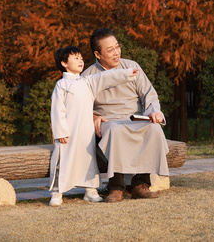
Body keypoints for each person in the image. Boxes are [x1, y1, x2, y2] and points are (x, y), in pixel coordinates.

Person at [81, 28, 170, 203]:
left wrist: (155, 111)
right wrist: (91, 116)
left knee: (154, 129)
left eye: (117, 47)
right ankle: (115, 187)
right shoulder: (88, 76)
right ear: (98, 54)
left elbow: (149, 95)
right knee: (115, 130)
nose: (116, 53)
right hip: (109, 121)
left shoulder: (132, 66)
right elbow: (77, 107)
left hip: (135, 118)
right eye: (110, 50)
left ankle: (140, 185)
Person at [48, 46, 138, 206]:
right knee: (63, 161)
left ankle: (90, 191)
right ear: (64, 63)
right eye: (75, 58)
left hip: (86, 133)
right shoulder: (61, 85)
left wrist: (126, 73)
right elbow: (57, 110)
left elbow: (106, 77)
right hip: (67, 134)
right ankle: (57, 192)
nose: (80, 61)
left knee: (88, 161)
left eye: (81, 58)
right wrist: (60, 132)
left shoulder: (87, 82)